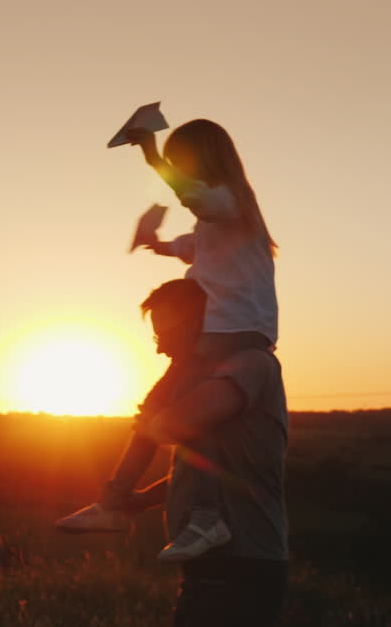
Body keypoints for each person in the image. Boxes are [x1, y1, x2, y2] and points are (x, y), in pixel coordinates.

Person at [56, 118, 279, 562]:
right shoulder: (219, 221)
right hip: (210, 336)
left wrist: (152, 156)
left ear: (205, 158)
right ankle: (113, 504)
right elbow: (190, 244)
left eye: (183, 162)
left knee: (193, 420)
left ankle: (207, 517)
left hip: (237, 335)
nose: (179, 172)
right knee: (152, 413)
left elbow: (200, 201)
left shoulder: (233, 203)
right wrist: (155, 244)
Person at [83, 278, 292, 627]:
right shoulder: (211, 373)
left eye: (165, 332)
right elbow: (214, 472)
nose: (160, 347)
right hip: (210, 573)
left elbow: (176, 425)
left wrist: (152, 417)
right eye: (156, 336)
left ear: (203, 321)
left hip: (241, 570)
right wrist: (140, 500)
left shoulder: (251, 363)